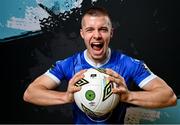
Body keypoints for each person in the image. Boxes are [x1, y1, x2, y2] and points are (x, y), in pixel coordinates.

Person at [23, 6, 177, 124]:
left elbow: (169, 97)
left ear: (111, 33)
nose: (96, 35)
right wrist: (66, 96)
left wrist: (129, 96)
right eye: (90, 30)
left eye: (103, 29)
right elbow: (31, 93)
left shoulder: (129, 64)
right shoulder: (68, 64)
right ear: (82, 34)